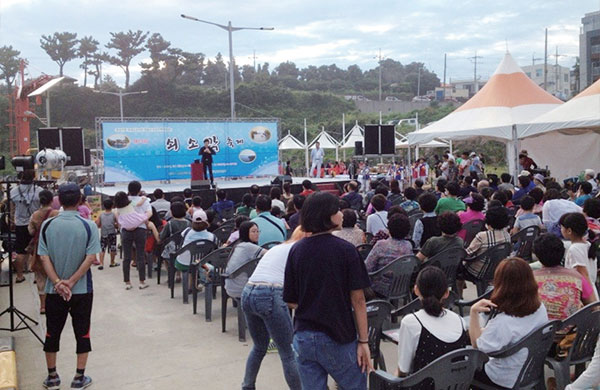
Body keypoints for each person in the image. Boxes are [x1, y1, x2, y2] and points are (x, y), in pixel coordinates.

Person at [283, 192, 372, 389]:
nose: (341, 214)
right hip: (338, 334)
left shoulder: (296, 250)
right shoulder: (346, 250)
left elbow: (290, 299)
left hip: (304, 336)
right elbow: (358, 300)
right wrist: (364, 341)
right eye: (337, 210)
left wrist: (313, 302)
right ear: (327, 216)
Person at [38, 183, 101, 390]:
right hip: (82, 289)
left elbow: (44, 257)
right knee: (82, 331)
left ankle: (53, 376)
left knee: (52, 331)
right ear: (80, 200)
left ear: (59, 200)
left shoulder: (48, 225)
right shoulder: (88, 225)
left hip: (53, 290)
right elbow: (91, 257)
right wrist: (72, 281)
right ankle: (79, 377)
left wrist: (57, 282)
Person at [241, 229, 307, 390]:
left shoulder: (279, 248)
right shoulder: (301, 250)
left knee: (259, 346)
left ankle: (247, 386)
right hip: (269, 294)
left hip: (248, 292)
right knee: (288, 351)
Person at [469, 258, 548, 389]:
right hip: (529, 369)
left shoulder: (503, 322)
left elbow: (477, 345)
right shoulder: (540, 308)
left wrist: (473, 313)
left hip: (503, 378)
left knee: (464, 367)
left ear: (501, 284)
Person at [396, 267, 469, 381]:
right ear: (446, 293)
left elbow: (403, 370)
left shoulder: (411, 322)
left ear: (416, 290)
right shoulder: (460, 321)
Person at [532, 234, 596, 320]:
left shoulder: (529, 279)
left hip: (540, 331)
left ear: (537, 257)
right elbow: (594, 306)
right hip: (572, 331)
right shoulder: (578, 278)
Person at [27, 189, 59, 314]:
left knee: (40, 278)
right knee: (55, 275)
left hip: (39, 248)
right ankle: (56, 303)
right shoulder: (56, 213)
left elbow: (30, 231)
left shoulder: (35, 215)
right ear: (52, 200)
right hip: (54, 248)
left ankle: (43, 306)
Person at [462, 206, 511, 283]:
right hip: (497, 270)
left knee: (458, 270)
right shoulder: (507, 235)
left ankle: (458, 293)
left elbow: (467, 253)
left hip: (478, 272)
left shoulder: (482, 236)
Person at [365, 214, 412, 294]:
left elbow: (367, 267)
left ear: (389, 229)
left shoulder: (381, 245)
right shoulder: (408, 246)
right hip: (402, 285)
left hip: (380, 288)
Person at [113, 191, 151, 290]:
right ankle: (142, 282)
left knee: (126, 257)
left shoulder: (117, 209)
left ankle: (127, 282)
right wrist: (143, 198)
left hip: (126, 231)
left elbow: (118, 219)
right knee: (140, 255)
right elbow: (139, 204)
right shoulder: (131, 203)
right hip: (139, 228)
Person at [10, 169, 43, 283]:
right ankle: (36, 276)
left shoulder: (13, 191)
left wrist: (12, 221)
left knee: (20, 251)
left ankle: (19, 275)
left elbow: (11, 209)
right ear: (34, 178)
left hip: (20, 224)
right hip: (35, 224)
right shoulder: (39, 191)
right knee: (37, 251)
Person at [224, 221, 267, 299]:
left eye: (258, 231)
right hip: (242, 288)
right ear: (245, 233)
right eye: (253, 231)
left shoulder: (239, 244)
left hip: (231, 286)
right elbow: (270, 254)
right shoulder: (248, 246)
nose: (256, 234)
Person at [560, 212, 598, 296]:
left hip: (584, 293)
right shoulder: (588, 245)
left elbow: (584, 275)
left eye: (562, 227)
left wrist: (591, 299)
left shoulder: (574, 249)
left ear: (569, 231)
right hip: (592, 289)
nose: (561, 230)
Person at [95, 199, 119, 270]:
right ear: (112, 206)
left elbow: (98, 224)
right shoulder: (113, 215)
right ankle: (112, 262)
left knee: (102, 248)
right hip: (112, 233)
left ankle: (101, 263)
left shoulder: (101, 215)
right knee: (112, 247)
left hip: (104, 233)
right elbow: (118, 223)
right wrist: (115, 225)